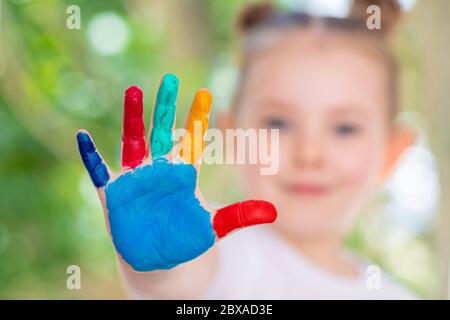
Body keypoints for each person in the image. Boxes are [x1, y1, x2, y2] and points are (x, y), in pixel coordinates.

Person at [76, 0, 416, 299]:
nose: (310, 154)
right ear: (231, 135)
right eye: (279, 123)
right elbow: (183, 283)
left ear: (391, 153)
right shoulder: (221, 248)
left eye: (345, 128)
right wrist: (163, 266)